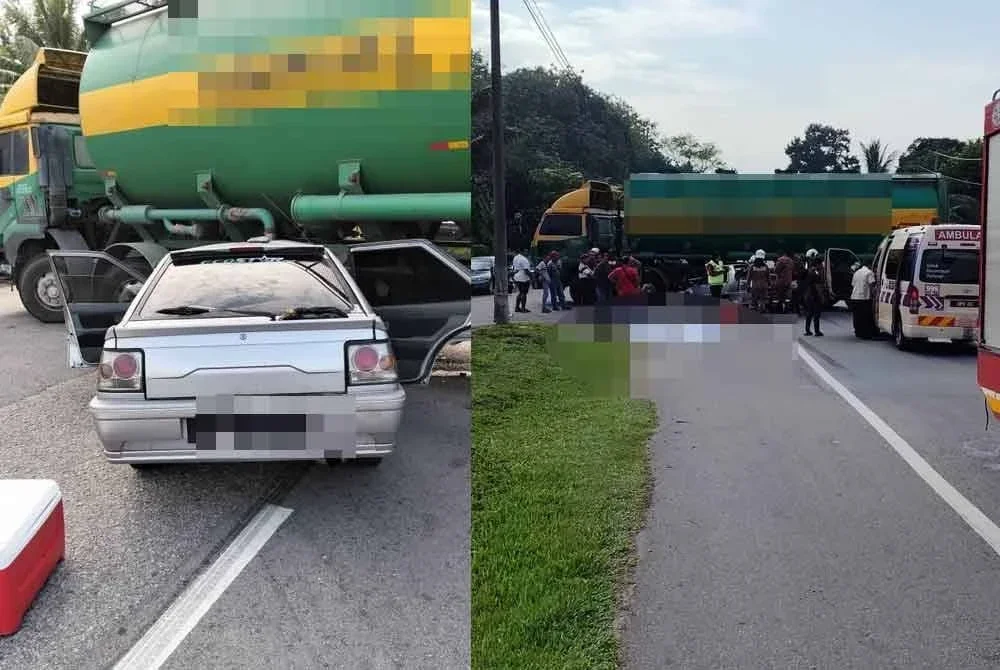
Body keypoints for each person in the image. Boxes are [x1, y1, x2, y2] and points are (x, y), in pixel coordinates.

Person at [849, 261, 876, 338]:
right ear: (870, 266)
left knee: (857, 316)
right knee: (865, 316)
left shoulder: (856, 273)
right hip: (864, 298)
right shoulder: (869, 273)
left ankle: (857, 331)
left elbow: (853, 285)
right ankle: (865, 333)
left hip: (854, 297)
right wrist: (873, 296)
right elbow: (871, 285)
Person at [801, 250, 824, 336]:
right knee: (816, 313)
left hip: (808, 294)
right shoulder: (815, 271)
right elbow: (814, 284)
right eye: (821, 264)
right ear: (818, 264)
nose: (822, 266)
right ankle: (817, 331)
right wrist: (818, 295)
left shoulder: (809, 269)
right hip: (814, 294)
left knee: (809, 313)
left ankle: (808, 330)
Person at [511, 248, 532, 313]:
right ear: (522, 252)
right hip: (523, 278)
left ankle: (517, 308)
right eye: (526, 251)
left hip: (517, 277)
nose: (527, 253)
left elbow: (514, 267)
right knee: (524, 293)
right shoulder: (524, 259)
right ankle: (523, 308)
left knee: (520, 292)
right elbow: (526, 270)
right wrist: (532, 277)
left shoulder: (516, 257)